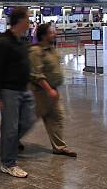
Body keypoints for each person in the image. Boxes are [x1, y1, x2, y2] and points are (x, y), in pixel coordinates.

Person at [0, 6, 36, 178]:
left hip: (24, 90)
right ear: (20, 21)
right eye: (28, 19)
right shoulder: (3, 42)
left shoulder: (22, 41)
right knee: (10, 127)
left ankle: (6, 145)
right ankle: (8, 163)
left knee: (29, 120)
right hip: (8, 91)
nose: (30, 22)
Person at [29, 23, 77, 158]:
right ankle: (10, 141)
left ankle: (59, 147)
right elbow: (36, 74)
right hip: (41, 93)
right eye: (52, 32)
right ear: (44, 35)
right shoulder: (36, 51)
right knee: (28, 121)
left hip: (52, 92)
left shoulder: (51, 49)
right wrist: (49, 89)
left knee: (56, 118)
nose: (55, 34)